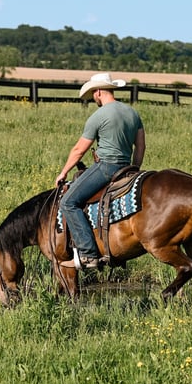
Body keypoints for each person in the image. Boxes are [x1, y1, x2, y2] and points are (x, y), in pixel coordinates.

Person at [55, 73, 145, 270]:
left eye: (92, 95)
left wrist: (63, 172)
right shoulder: (132, 113)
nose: (93, 99)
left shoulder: (99, 116)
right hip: (127, 168)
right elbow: (140, 147)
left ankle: (88, 254)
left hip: (106, 167)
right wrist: (135, 169)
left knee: (68, 202)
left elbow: (79, 150)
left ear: (98, 92)